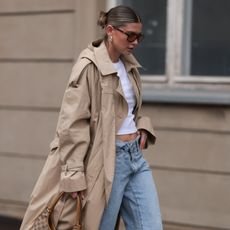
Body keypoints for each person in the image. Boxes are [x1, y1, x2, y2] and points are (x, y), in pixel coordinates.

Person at [20, 5, 163, 230]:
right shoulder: (88, 66)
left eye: (139, 36)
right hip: (107, 161)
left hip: (135, 158)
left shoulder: (129, 66)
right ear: (110, 31)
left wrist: (142, 126)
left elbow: (126, 110)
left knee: (151, 226)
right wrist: (74, 173)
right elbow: (72, 123)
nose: (135, 42)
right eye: (131, 35)